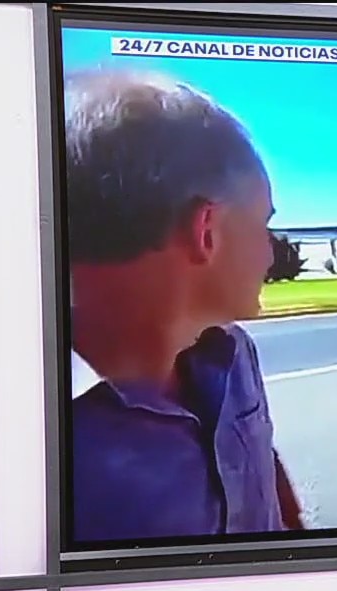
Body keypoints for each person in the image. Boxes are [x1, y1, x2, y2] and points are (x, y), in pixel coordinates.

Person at [64, 70, 304, 543]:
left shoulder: (232, 352)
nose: (270, 254)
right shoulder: (22, 430)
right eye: (263, 225)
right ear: (206, 230)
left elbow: (260, 463)